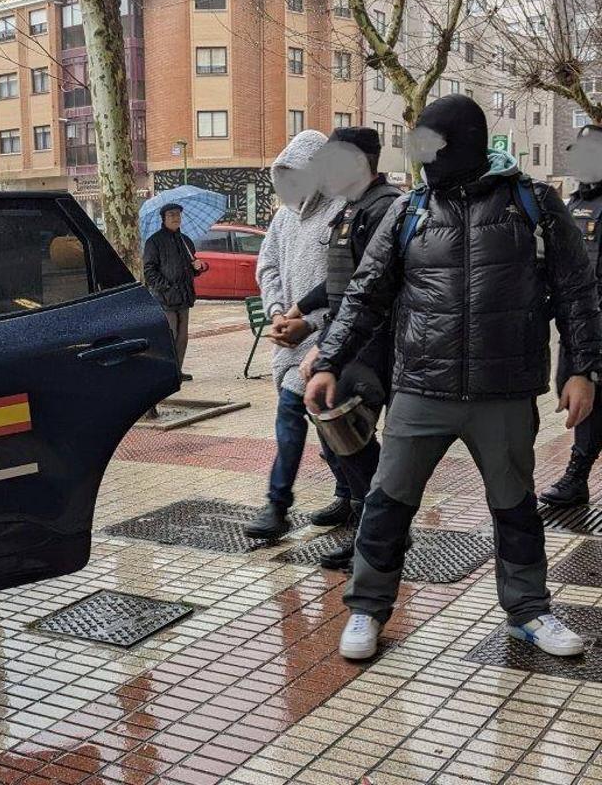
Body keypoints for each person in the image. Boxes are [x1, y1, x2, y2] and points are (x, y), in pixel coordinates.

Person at [305, 94, 602, 661]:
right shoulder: (411, 209)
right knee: (388, 501)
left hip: (504, 391)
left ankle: (529, 611)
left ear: (464, 141)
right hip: (420, 387)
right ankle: (367, 607)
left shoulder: (532, 203)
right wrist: (328, 361)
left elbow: (576, 292)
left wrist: (583, 368)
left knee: (515, 506)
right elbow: (366, 296)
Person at [290, 127, 401, 568]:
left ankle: (378, 530)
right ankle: (372, 524)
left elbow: (370, 287)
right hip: (347, 340)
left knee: (341, 424)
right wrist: (299, 309)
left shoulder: (386, 209)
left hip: (376, 345)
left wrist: (329, 352)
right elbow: (340, 280)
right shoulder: (353, 209)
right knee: (339, 433)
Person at [244, 129, 352, 540]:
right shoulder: (283, 217)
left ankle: (278, 505)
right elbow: (267, 265)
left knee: (299, 413)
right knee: (321, 420)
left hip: (328, 338)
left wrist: (314, 324)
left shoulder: (342, 211)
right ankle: (348, 493)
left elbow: (347, 284)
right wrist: (275, 312)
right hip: (287, 336)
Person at [541, 124, 602, 508]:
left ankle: (577, 474)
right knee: (575, 390)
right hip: (578, 320)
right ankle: (577, 478)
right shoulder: (572, 203)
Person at [143, 202, 205, 380]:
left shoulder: (185, 241)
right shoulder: (154, 242)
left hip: (184, 296)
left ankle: (177, 371)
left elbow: (191, 269)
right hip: (165, 298)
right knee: (171, 335)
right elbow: (149, 271)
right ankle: (167, 371)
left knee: (182, 337)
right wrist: (166, 287)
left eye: (178, 214)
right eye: (171, 215)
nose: (176, 218)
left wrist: (197, 267)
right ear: (163, 218)